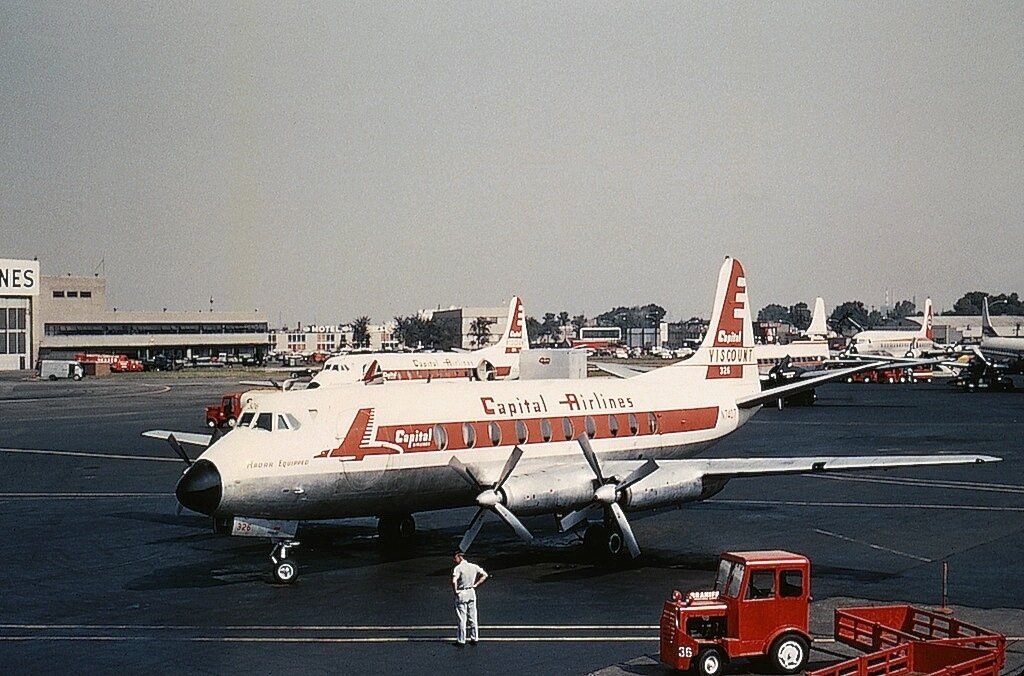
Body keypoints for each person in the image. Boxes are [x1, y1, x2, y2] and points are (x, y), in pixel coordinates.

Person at [451, 551, 488, 646]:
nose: (454, 560)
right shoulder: (473, 566)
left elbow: (454, 581)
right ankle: (474, 637)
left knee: (462, 618)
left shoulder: (458, 568)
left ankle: (461, 640)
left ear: (460, 557)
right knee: (473, 616)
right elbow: (485, 575)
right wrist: (476, 585)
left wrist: (455, 591)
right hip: (471, 591)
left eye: (455, 558)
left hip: (462, 592)